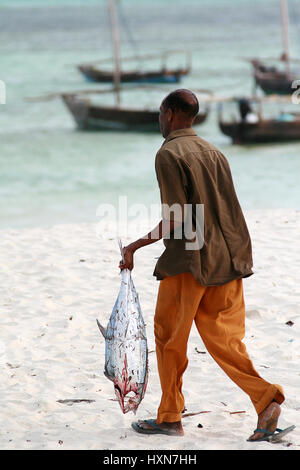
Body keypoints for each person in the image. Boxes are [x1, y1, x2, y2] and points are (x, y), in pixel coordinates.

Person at [119, 89, 289, 442]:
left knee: (169, 339)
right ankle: (266, 399)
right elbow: (226, 207)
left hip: (190, 263)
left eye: (160, 112)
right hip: (229, 257)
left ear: (170, 113)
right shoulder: (214, 151)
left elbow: (175, 216)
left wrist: (136, 245)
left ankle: (169, 417)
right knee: (226, 340)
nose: (159, 119)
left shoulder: (168, 153)